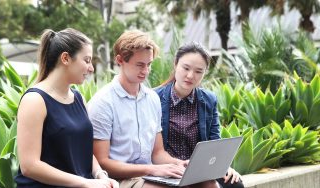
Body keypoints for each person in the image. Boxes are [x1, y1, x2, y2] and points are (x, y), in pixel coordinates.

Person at [88, 30, 219, 188]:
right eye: (140, 65)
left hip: (149, 175)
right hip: (118, 179)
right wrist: (152, 169)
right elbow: (102, 162)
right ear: (120, 60)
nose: (146, 70)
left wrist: (181, 164)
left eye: (149, 64)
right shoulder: (103, 102)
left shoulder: (152, 99)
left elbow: (157, 154)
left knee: (208, 183)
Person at [15, 28, 119, 188]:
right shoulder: (34, 100)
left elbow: (83, 150)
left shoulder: (78, 98)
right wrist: (85, 183)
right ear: (65, 58)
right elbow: (30, 166)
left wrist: (100, 175)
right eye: (87, 60)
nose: (91, 68)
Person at [154, 43, 244, 188]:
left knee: (234, 184)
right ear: (176, 64)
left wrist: (223, 167)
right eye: (186, 68)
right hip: (168, 167)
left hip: (200, 169)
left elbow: (215, 141)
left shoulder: (209, 100)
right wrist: (177, 164)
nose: (190, 76)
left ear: (204, 73)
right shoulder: (154, 98)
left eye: (198, 71)